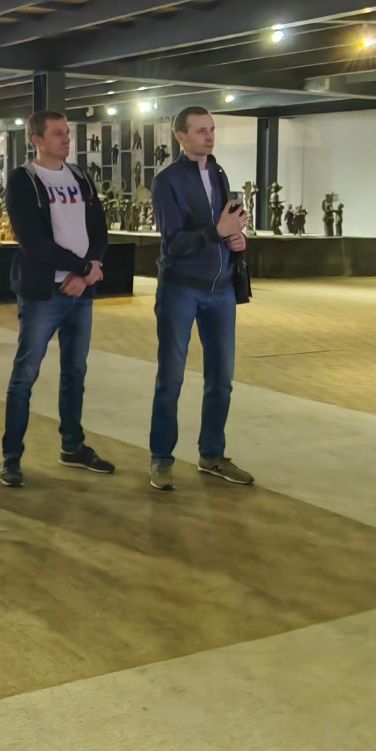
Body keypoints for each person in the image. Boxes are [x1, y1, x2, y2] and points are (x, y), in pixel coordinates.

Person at [0, 111, 115, 488]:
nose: (66, 140)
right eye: (57, 134)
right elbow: (32, 239)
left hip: (81, 290)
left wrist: (90, 270)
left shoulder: (79, 176)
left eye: (67, 133)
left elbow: (99, 227)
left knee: (75, 372)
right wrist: (80, 268)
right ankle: (11, 456)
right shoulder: (24, 180)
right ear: (36, 139)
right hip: (43, 292)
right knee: (25, 375)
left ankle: (72, 445)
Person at [148, 106, 254, 492]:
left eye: (211, 129)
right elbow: (174, 243)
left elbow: (224, 226)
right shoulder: (167, 181)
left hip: (221, 289)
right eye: (200, 131)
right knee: (171, 377)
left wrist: (236, 238)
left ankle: (212, 455)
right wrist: (217, 231)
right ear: (180, 137)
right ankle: (161, 459)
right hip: (180, 288)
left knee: (221, 379)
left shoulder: (219, 173)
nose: (209, 136)